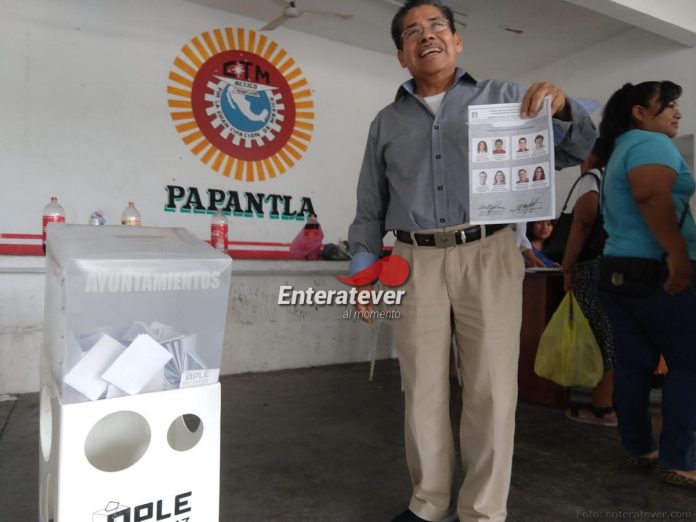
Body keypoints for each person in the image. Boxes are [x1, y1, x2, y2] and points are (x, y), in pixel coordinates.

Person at [347, 1, 595, 520]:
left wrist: (564, 107)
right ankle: (429, 503)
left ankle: (482, 511)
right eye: (412, 32)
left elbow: (576, 149)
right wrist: (363, 272)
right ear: (401, 55)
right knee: (421, 387)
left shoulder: (506, 99)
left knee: (490, 387)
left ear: (456, 42)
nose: (426, 35)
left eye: (437, 26)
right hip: (413, 259)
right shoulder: (385, 123)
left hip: (489, 252)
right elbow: (369, 207)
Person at [595, 80, 696, 488]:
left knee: (634, 362)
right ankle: (678, 459)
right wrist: (678, 255)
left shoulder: (620, 147)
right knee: (688, 363)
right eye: (668, 104)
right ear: (639, 111)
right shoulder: (651, 143)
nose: (677, 112)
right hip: (658, 269)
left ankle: (639, 447)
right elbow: (652, 197)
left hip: (617, 268)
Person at [561, 149, 616, 427]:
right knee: (613, 333)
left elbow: (582, 223)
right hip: (619, 263)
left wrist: (567, 264)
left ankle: (602, 407)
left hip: (593, 266)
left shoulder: (593, 179)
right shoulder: (620, 177)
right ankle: (613, 400)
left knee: (597, 334)